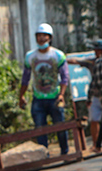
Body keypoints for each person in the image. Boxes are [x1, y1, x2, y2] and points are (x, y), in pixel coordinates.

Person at [18, 23, 69, 155]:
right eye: (39, 36)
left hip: (54, 97)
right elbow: (26, 78)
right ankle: (44, 154)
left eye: (44, 36)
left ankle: (65, 152)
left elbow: (65, 77)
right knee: (40, 128)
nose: (41, 38)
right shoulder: (30, 56)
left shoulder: (57, 55)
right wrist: (21, 96)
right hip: (38, 98)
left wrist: (62, 94)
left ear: (50, 38)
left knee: (60, 126)